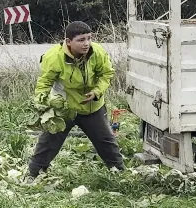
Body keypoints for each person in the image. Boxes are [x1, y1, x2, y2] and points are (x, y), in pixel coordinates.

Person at [27, 21, 124, 178]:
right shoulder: (54, 57)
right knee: (48, 143)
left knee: (106, 142)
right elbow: (44, 83)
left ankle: (120, 174)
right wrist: (42, 105)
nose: (86, 44)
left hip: (92, 107)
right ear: (68, 42)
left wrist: (97, 92)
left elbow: (107, 74)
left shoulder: (97, 52)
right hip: (64, 108)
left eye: (89, 38)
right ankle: (33, 175)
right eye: (81, 40)